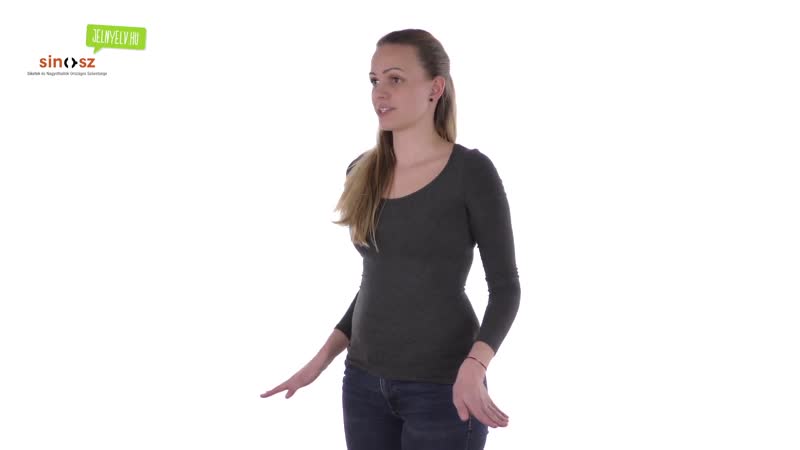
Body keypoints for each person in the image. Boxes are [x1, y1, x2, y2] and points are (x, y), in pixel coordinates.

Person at [261, 28, 521, 450]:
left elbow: (506, 287)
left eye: (395, 79)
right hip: (363, 386)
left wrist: (476, 364)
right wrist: (322, 358)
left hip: (444, 388)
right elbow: (380, 279)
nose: (379, 93)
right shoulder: (361, 171)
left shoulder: (471, 173)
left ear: (435, 88)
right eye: (374, 80)